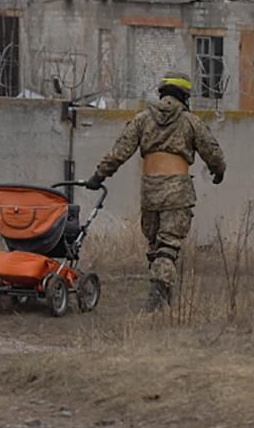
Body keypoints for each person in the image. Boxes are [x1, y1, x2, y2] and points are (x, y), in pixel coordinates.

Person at [85, 71, 226, 312]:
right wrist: (218, 170)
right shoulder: (191, 121)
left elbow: (119, 152)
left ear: (161, 92)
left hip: (150, 190)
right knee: (168, 247)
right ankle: (157, 299)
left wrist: (98, 176)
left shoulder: (142, 119)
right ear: (184, 95)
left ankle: (162, 298)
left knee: (154, 246)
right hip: (178, 191)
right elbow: (212, 151)